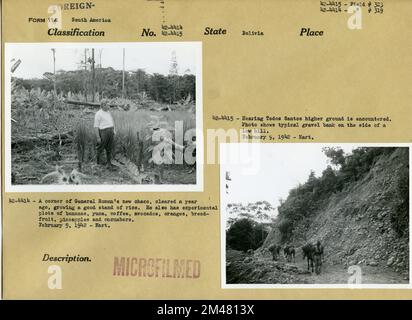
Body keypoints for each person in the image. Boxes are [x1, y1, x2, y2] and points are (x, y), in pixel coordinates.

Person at [94, 99, 116, 169]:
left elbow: (112, 122)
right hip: (103, 132)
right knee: (100, 148)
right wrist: (98, 137)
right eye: (108, 104)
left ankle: (108, 163)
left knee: (109, 148)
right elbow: (96, 126)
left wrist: (114, 130)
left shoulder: (108, 112)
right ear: (103, 105)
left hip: (110, 131)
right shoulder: (98, 113)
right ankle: (98, 163)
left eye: (109, 104)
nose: (109, 106)